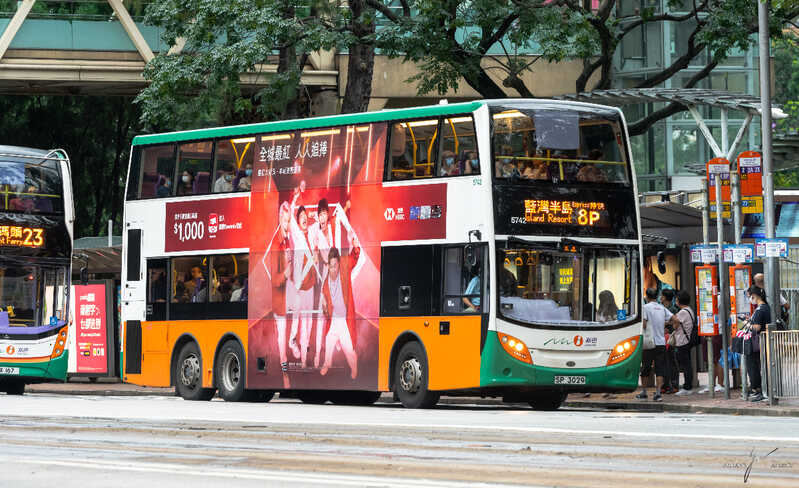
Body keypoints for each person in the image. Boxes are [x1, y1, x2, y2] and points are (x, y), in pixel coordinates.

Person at [320, 245, 359, 379]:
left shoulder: (344, 268)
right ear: (328, 266)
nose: (333, 269)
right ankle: (327, 364)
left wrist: (356, 248)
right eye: (331, 266)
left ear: (339, 263)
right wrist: (324, 307)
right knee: (328, 341)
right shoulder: (325, 285)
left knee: (349, 349)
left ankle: (354, 368)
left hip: (344, 321)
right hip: (334, 321)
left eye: (335, 266)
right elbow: (326, 313)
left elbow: (354, 258)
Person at [270, 201, 293, 387]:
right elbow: (275, 280)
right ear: (280, 219)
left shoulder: (287, 240)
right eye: (285, 221)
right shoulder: (276, 244)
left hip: (290, 295)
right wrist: (286, 273)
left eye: (289, 220)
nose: (287, 224)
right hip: (280, 302)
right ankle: (285, 373)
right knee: (282, 339)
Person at [636, 288, 671, 402]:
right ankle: (658, 393)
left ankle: (644, 392)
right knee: (659, 369)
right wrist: (663, 325)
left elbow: (644, 324)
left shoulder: (645, 308)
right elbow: (674, 319)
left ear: (647, 297)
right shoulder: (662, 308)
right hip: (661, 343)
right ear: (657, 296)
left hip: (649, 343)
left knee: (646, 368)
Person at [745, 286, 769, 402]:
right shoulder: (765, 307)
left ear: (754, 295)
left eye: (749, 296)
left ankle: (757, 389)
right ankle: (761, 390)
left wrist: (747, 323)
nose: (750, 299)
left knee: (753, 365)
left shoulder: (760, 309)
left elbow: (757, 327)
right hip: (763, 342)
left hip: (759, 342)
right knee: (761, 366)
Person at [670, 290, 696, 396]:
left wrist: (673, 322)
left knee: (685, 365)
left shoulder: (682, 312)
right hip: (687, 340)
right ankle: (688, 385)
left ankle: (687, 387)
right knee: (687, 364)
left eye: (676, 299)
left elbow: (675, 325)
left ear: (679, 300)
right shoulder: (689, 310)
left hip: (682, 341)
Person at [660, 288, 680, 393]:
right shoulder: (661, 308)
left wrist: (667, 324)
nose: (660, 297)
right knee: (664, 362)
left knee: (671, 362)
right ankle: (666, 385)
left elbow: (676, 322)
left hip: (670, 339)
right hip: (662, 338)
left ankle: (674, 385)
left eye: (662, 296)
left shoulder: (673, 309)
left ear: (665, 297)